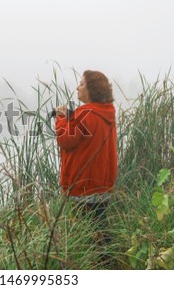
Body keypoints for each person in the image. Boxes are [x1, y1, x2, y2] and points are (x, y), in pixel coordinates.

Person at [55, 70, 118, 248]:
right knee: (100, 228)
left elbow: (65, 140)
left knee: (86, 234)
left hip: (83, 185)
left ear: (92, 89)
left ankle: (100, 266)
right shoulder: (106, 112)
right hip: (102, 183)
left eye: (81, 84)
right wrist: (70, 116)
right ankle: (109, 263)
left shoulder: (84, 113)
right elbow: (86, 132)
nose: (77, 87)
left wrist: (60, 119)